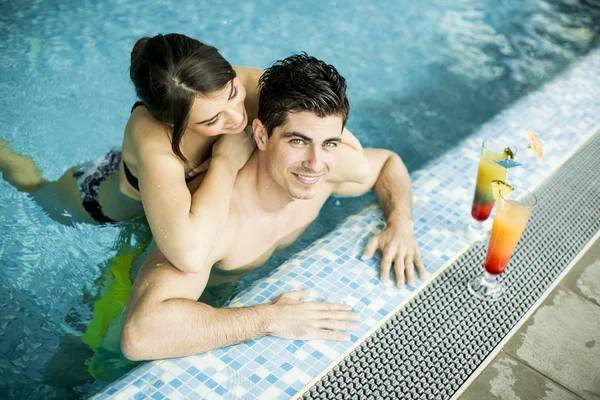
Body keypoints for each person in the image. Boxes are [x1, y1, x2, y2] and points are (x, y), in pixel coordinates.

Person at [120, 53, 425, 362]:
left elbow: (388, 162)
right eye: (298, 142)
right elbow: (140, 335)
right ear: (262, 134)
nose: (315, 164)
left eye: (330, 143)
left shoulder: (327, 171)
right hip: (132, 251)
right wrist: (270, 319)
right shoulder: (220, 218)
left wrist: (401, 223)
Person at [0, 33, 368, 273]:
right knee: (33, 186)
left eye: (233, 95)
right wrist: (226, 159)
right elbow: (188, 256)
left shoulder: (244, 82)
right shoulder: (154, 141)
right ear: (171, 122)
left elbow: (350, 154)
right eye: (211, 120)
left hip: (172, 194)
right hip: (100, 201)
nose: (237, 118)